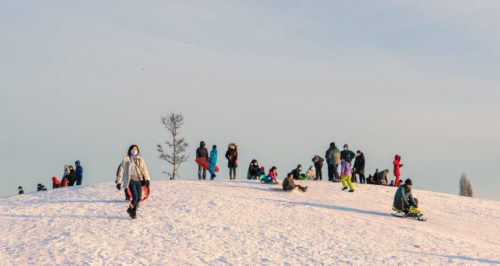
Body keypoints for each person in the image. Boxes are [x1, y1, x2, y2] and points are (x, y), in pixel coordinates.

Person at [116, 144, 151, 219]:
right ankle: (130, 210)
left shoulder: (141, 159)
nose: (134, 150)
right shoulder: (126, 159)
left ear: (138, 150)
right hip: (130, 180)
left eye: (135, 149)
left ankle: (133, 212)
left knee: (138, 198)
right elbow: (121, 171)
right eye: (132, 149)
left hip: (138, 180)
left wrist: (147, 179)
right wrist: (119, 182)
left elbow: (144, 170)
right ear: (130, 150)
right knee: (135, 197)